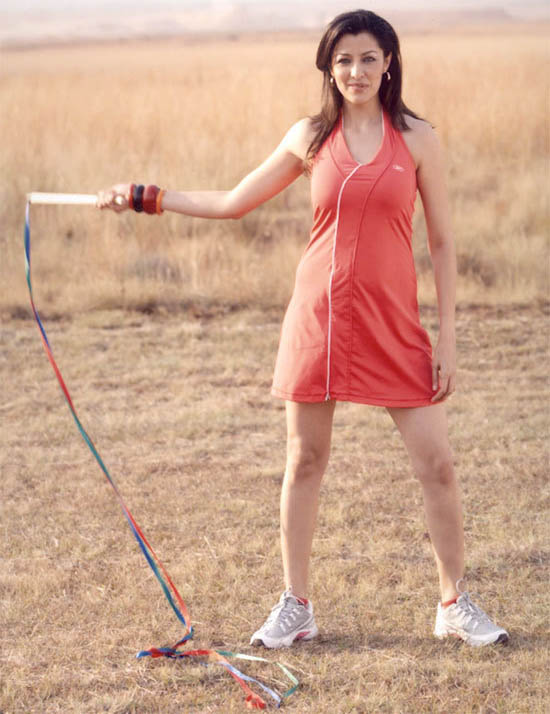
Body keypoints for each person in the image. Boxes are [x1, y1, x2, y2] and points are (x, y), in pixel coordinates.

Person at [97, 9, 508, 648]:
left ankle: (454, 603)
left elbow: (444, 243)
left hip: (395, 324)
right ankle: (296, 605)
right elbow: (233, 202)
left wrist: (448, 339)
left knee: (438, 465)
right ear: (328, 67)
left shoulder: (418, 139)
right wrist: (146, 196)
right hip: (319, 319)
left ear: (389, 63)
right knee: (305, 459)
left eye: (368, 58)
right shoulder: (310, 137)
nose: (355, 71)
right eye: (343, 60)